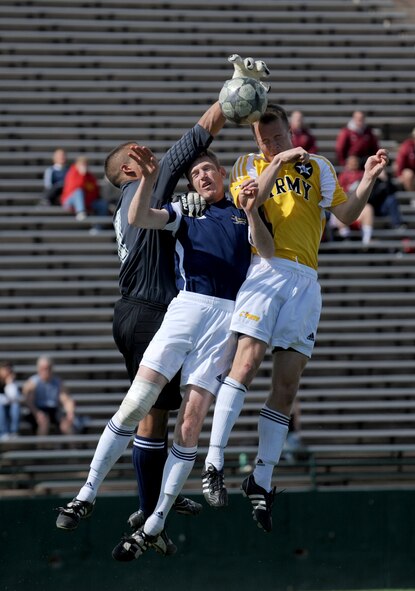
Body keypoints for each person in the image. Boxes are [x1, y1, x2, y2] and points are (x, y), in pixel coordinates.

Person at [55, 140, 274, 561]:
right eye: (195, 173)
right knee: (138, 402)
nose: (202, 176)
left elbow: (265, 252)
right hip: (186, 308)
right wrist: (153, 180)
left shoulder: (242, 211)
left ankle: (154, 522)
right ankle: (87, 493)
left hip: (225, 322)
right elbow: (139, 216)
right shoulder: (186, 212)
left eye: (208, 170)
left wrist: (249, 211)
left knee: (189, 423)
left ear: (223, 174)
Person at [202, 104, 388, 533]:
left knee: (287, 385)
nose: (269, 145)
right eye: (263, 140)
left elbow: (347, 215)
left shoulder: (320, 165)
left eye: (277, 138)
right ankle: (214, 460)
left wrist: (369, 179)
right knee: (244, 365)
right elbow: (255, 199)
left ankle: (261, 479)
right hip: (265, 269)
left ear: (290, 130)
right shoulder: (248, 165)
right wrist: (277, 160)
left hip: (306, 279)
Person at [104, 100, 229, 554]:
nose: (155, 162)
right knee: (148, 411)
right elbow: (192, 144)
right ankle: (146, 507)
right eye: (145, 161)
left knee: (158, 413)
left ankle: (154, 500)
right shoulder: (144, 192)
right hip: (148, 310)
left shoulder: (131, 204)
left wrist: (185, 204)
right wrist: (228, 99)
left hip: (137, 311)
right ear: (131, 170)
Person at [22, 356, 76, 436]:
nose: (46, 371)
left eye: (48, 368)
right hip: (38, 410)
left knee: (66, 424)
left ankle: (74, 447)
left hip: (53, 410)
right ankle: (41, 447)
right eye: (43, 368)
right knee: (44, 421)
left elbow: (65, 399)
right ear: (39, 369)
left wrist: (70, 413)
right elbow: (29, 400)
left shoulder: (57, 382)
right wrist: (36, 413)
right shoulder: (33, 382)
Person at [0, 361, 22, 440]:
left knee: (16, 405)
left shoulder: (11, 382)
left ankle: (14, 432)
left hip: (8, 409)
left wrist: (10, 384)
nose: (7, 372)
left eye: (9, 370)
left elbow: (14, 397)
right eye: (5, 369)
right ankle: (3, 433)